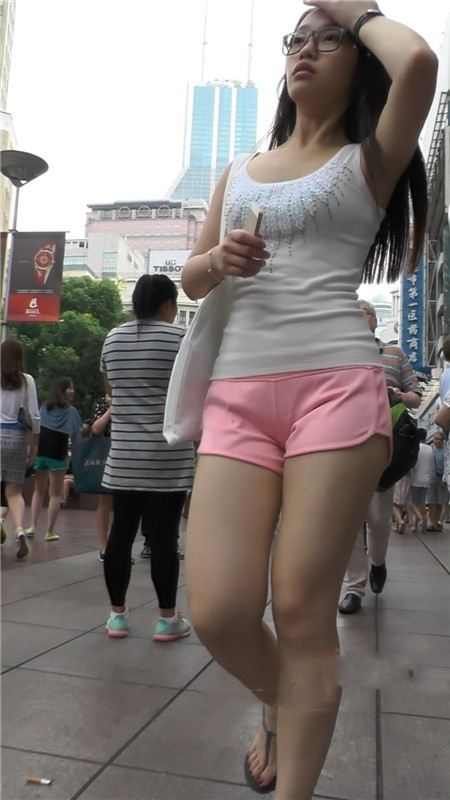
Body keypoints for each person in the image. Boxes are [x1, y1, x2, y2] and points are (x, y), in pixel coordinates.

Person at [179, 2, 437, 796]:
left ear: (359, 58)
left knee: (300, 610)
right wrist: (218, 260)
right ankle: (280, 700)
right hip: (237, 396)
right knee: (219, 611)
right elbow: (190, 280)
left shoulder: (371, 158)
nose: (307, 50)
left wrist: (351, 11)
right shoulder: (239, 170)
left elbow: (419, 61)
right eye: (298, 39)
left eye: (329, 41)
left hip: (336, 390)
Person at [100, 274, 195, 640]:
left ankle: (117, 616)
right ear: (168, 304)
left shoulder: (113, 338)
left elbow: (111, 389)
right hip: (167, 457)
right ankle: (167, 619)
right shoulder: (180, 338)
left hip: (124, 456)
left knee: (120, 535)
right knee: (165, 538)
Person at [338, 299, 422, 614]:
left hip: (384, 443)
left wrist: (399, 395)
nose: (359, 318)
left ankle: (378, 562)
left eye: (365, 313)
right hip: (345, 440)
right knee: (349, 519)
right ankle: (354, 588)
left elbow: (415, 396)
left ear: (374, 320)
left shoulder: (395, 354)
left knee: (378, 518)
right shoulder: (339, 353)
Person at [25, 377, 83, 541]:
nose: (73, 391)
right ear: (62, 390)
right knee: (55, 495)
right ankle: (50, 532)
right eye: (70, 388)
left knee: (38, 491)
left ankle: (32, 526)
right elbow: (79, 433)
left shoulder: (45, 407)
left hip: (41, 453)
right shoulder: (71, 411)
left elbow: (37, 428)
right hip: (58, 454)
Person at [0, 338, 40, 559]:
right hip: (17, 437)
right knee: (14, 491)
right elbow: (34, 415)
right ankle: (19, 530)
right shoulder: (27, 380)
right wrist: (34, 443)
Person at [90, 394, 113, 561]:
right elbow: (96, 428)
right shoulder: (102, 403)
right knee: (104, 501)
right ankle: (104, 547)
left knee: (126, 506)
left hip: (131, 455)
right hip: (107, 457)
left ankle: (119, 547)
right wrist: (113, 407)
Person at [408, 428, 434, 532]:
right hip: (426, 479)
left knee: (411, 502)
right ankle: (415, 525)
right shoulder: (430, 449)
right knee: (420, 503)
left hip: (415, 479)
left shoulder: (417, 448)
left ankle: (421, 518)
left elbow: (414, 464)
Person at [426, 430, 449, 530]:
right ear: (433, 439)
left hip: (442, 480)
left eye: (440, 439)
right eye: (436, 439)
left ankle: (436, 523)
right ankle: (432, 524)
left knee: (440, 502)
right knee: (432, 502)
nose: (438, 441)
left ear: (443, 441)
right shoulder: (429, 449)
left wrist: (445, 477)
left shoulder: (446, 451)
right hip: (431, 480)